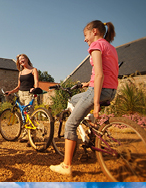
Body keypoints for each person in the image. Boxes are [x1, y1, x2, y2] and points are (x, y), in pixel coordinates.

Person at [50, 20, 118, 177]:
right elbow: (106, 71)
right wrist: (88, 83)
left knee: (71, 124)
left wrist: (95, 104)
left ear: (94, 31)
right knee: (74, 99)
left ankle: (66, 166)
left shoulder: (96, 46)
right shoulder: (110, 47)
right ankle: (90, 131)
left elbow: (100, 74)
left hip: (98, 91)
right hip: (110, 90)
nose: (84, 39)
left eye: (85, 35)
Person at [4, 54, 39, 142]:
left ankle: (32, 136)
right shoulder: (20, 72)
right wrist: (10, 92)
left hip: (28, 94)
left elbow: (36, 81)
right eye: (20, 60)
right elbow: (18, 86)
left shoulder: (33, 70)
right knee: (23, 116)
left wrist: (35, 89)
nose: (21, 61)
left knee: (29, 115)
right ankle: (24, 135)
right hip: (21, 95)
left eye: (22, 58)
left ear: (27, 59)